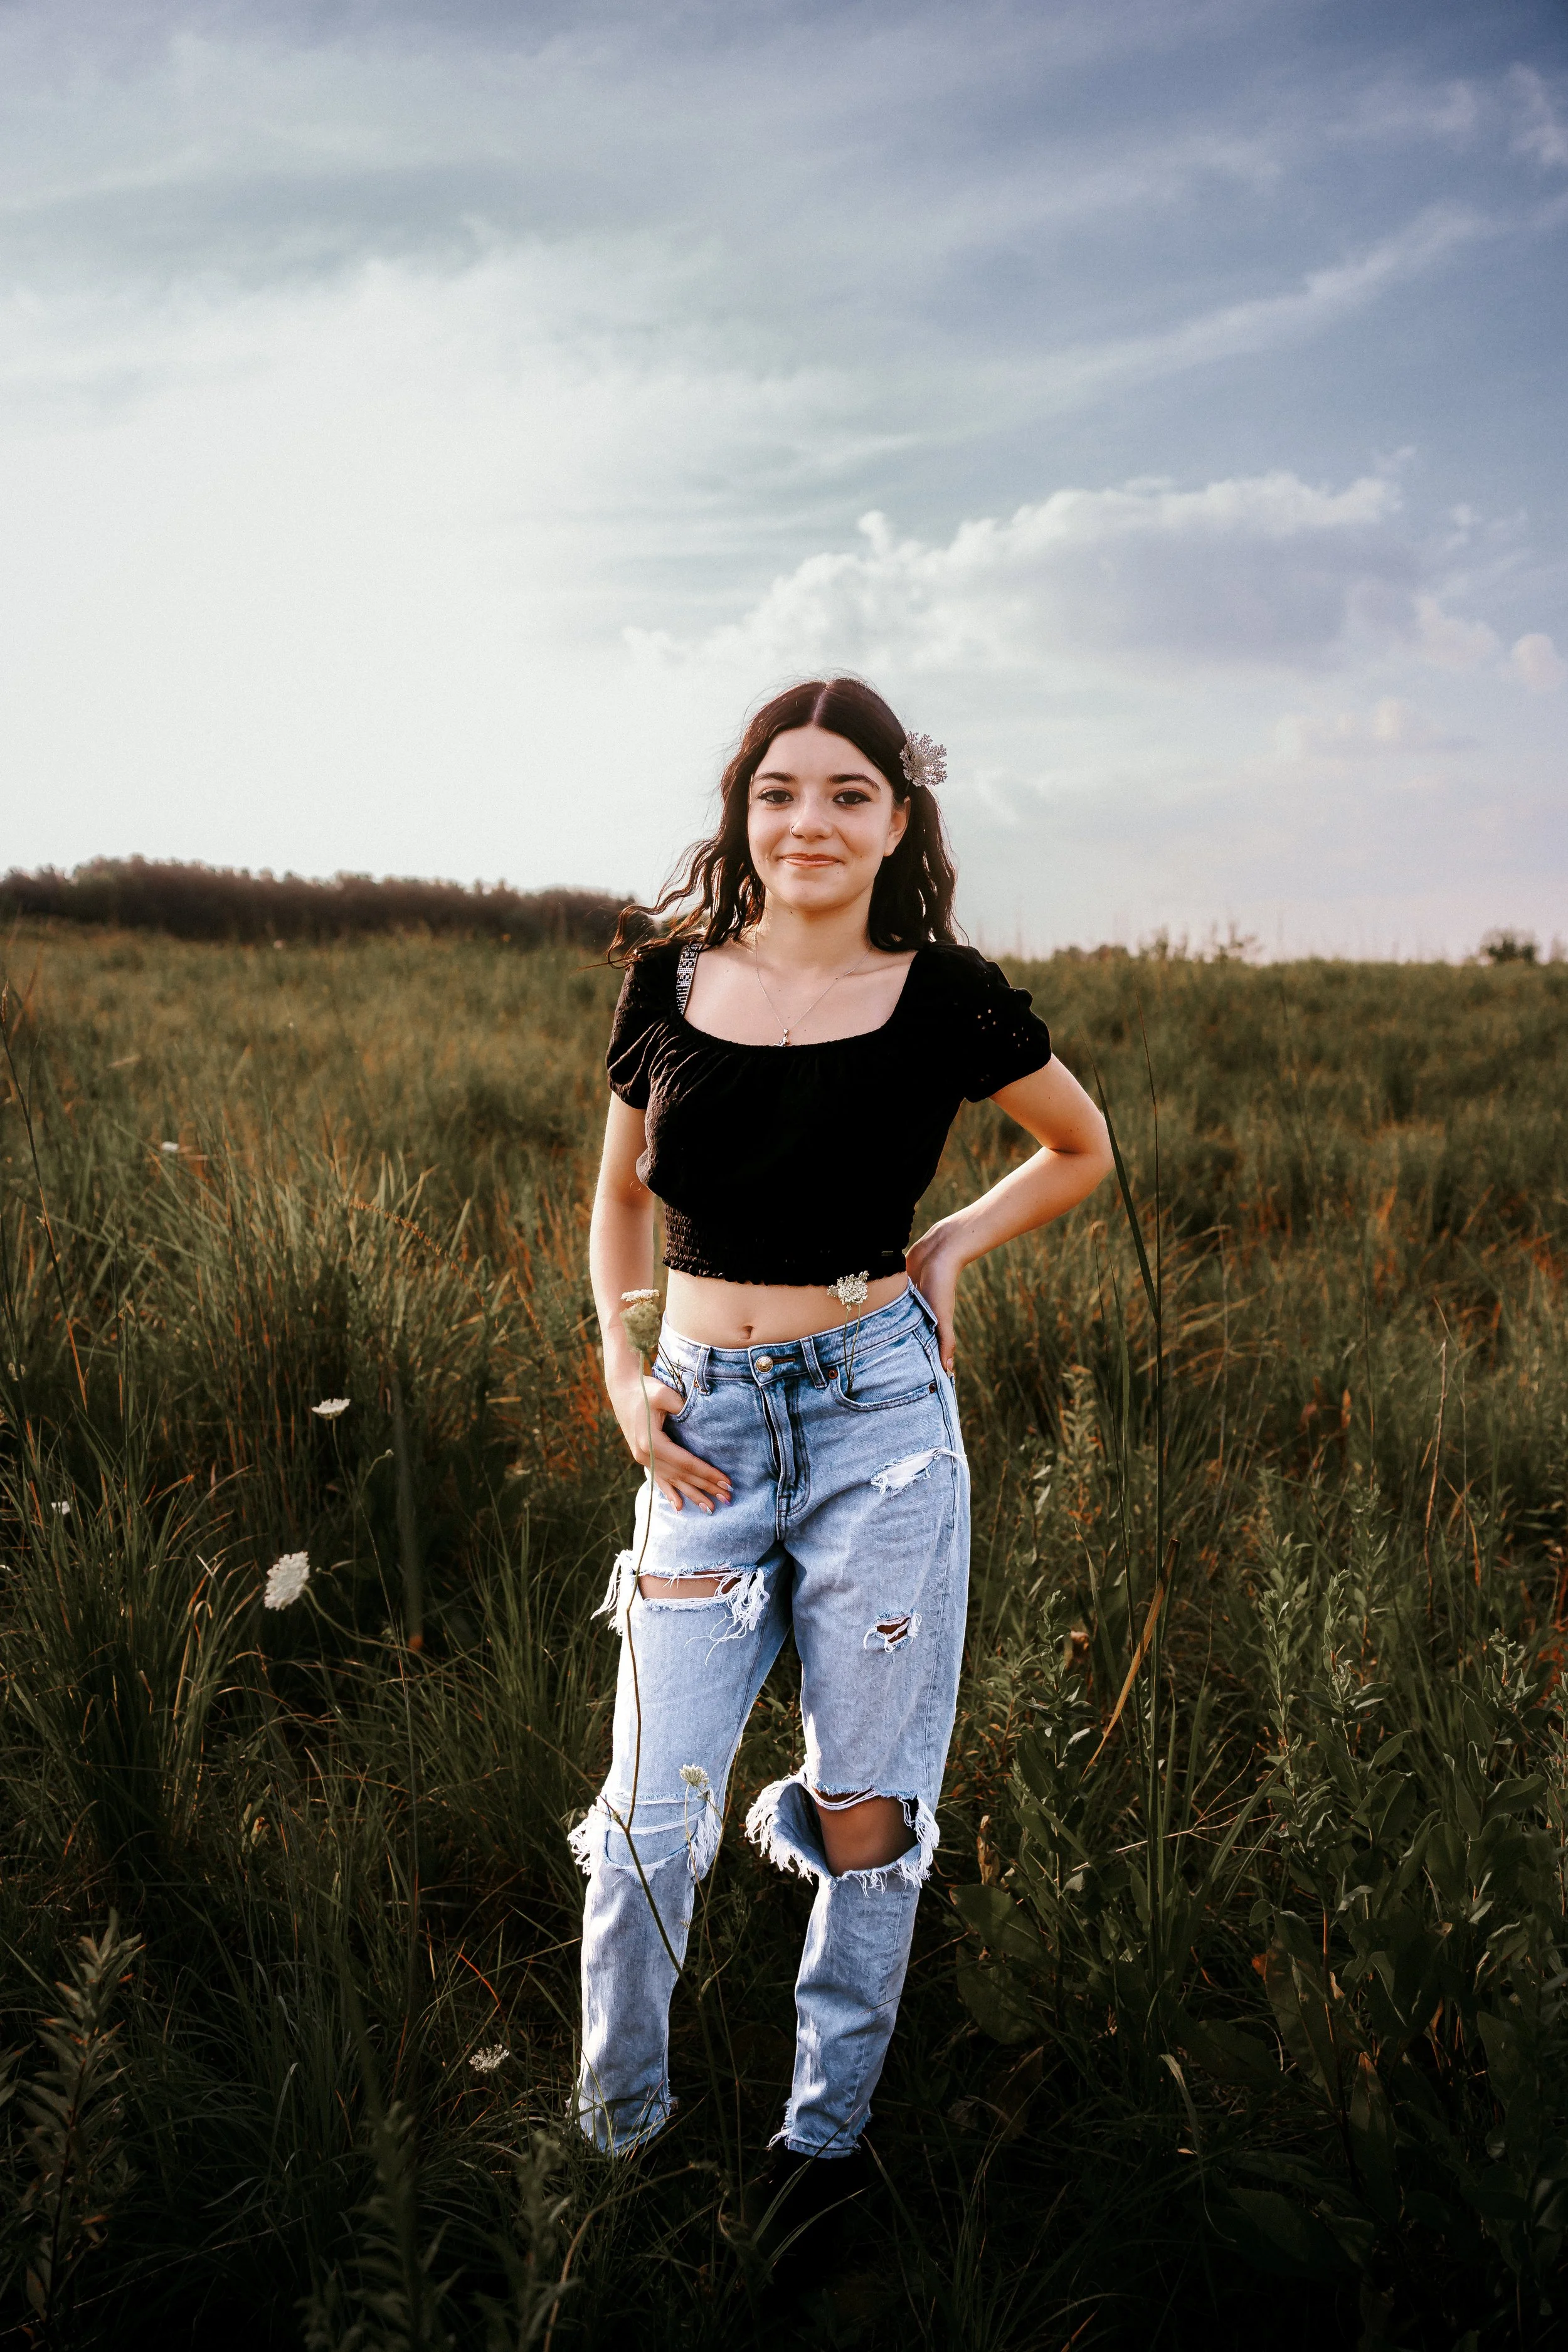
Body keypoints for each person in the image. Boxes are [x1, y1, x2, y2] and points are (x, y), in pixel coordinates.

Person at [571, 677, 1112, 2200]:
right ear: (743, 816)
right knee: (646, 1815)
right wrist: (621, 1375)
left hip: (880, 1419)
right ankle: (614, 2140)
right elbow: (620, 1196)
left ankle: (824, 2143)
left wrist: (946, 1247)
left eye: (846, 795)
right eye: (778, 794)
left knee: (867, 1809)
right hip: (699, 1429)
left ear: (894, 822)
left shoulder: (940, 994)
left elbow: (1078, 1148)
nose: (808, 822)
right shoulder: (669, 981)